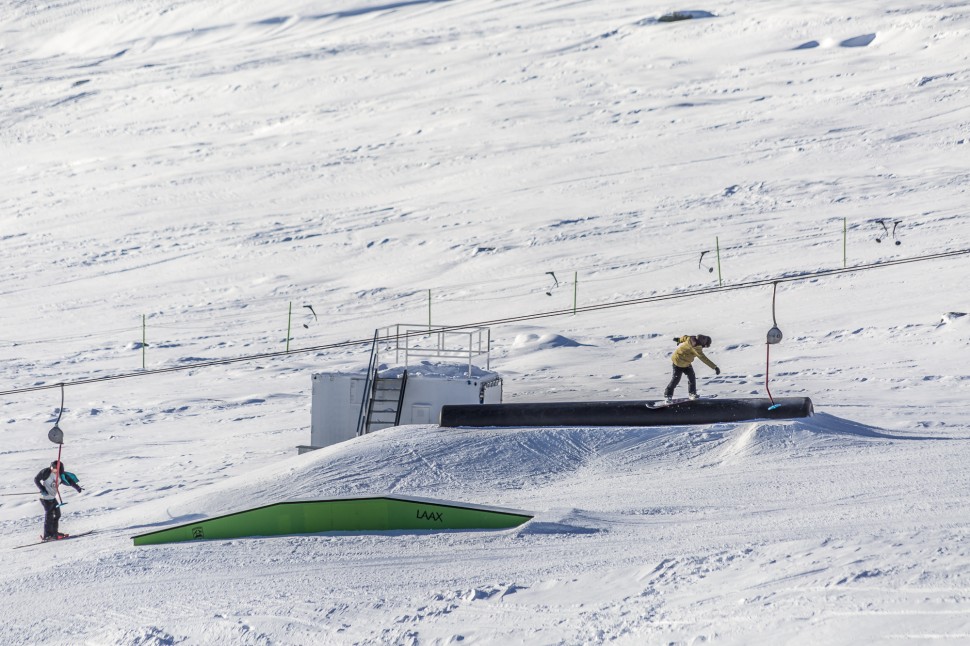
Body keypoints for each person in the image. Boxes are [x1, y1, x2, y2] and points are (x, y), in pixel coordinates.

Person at [34, 460, 83, 541]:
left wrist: (77, 487)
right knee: (49, 516)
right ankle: (47, 536)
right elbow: (36, 479)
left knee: (57, 515)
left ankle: (54, 533)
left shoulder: (61, 476)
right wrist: (42, 489)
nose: (52, 469)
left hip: (52, 498)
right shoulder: (46, 472)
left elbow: (70, 481)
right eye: (52, 467)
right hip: (44, 498)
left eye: (54, 468)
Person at [664, 334, 721, 403]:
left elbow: (684, 338)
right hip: (678, 363)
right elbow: (704, 359)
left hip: (685, 363)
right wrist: (715, 367)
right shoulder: (697, 348)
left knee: (691, 377)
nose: (704, 347)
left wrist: (678, 340)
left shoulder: (691, 338)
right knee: (676, 379)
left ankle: (692, 394)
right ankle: (668, 396)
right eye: (705, 345)